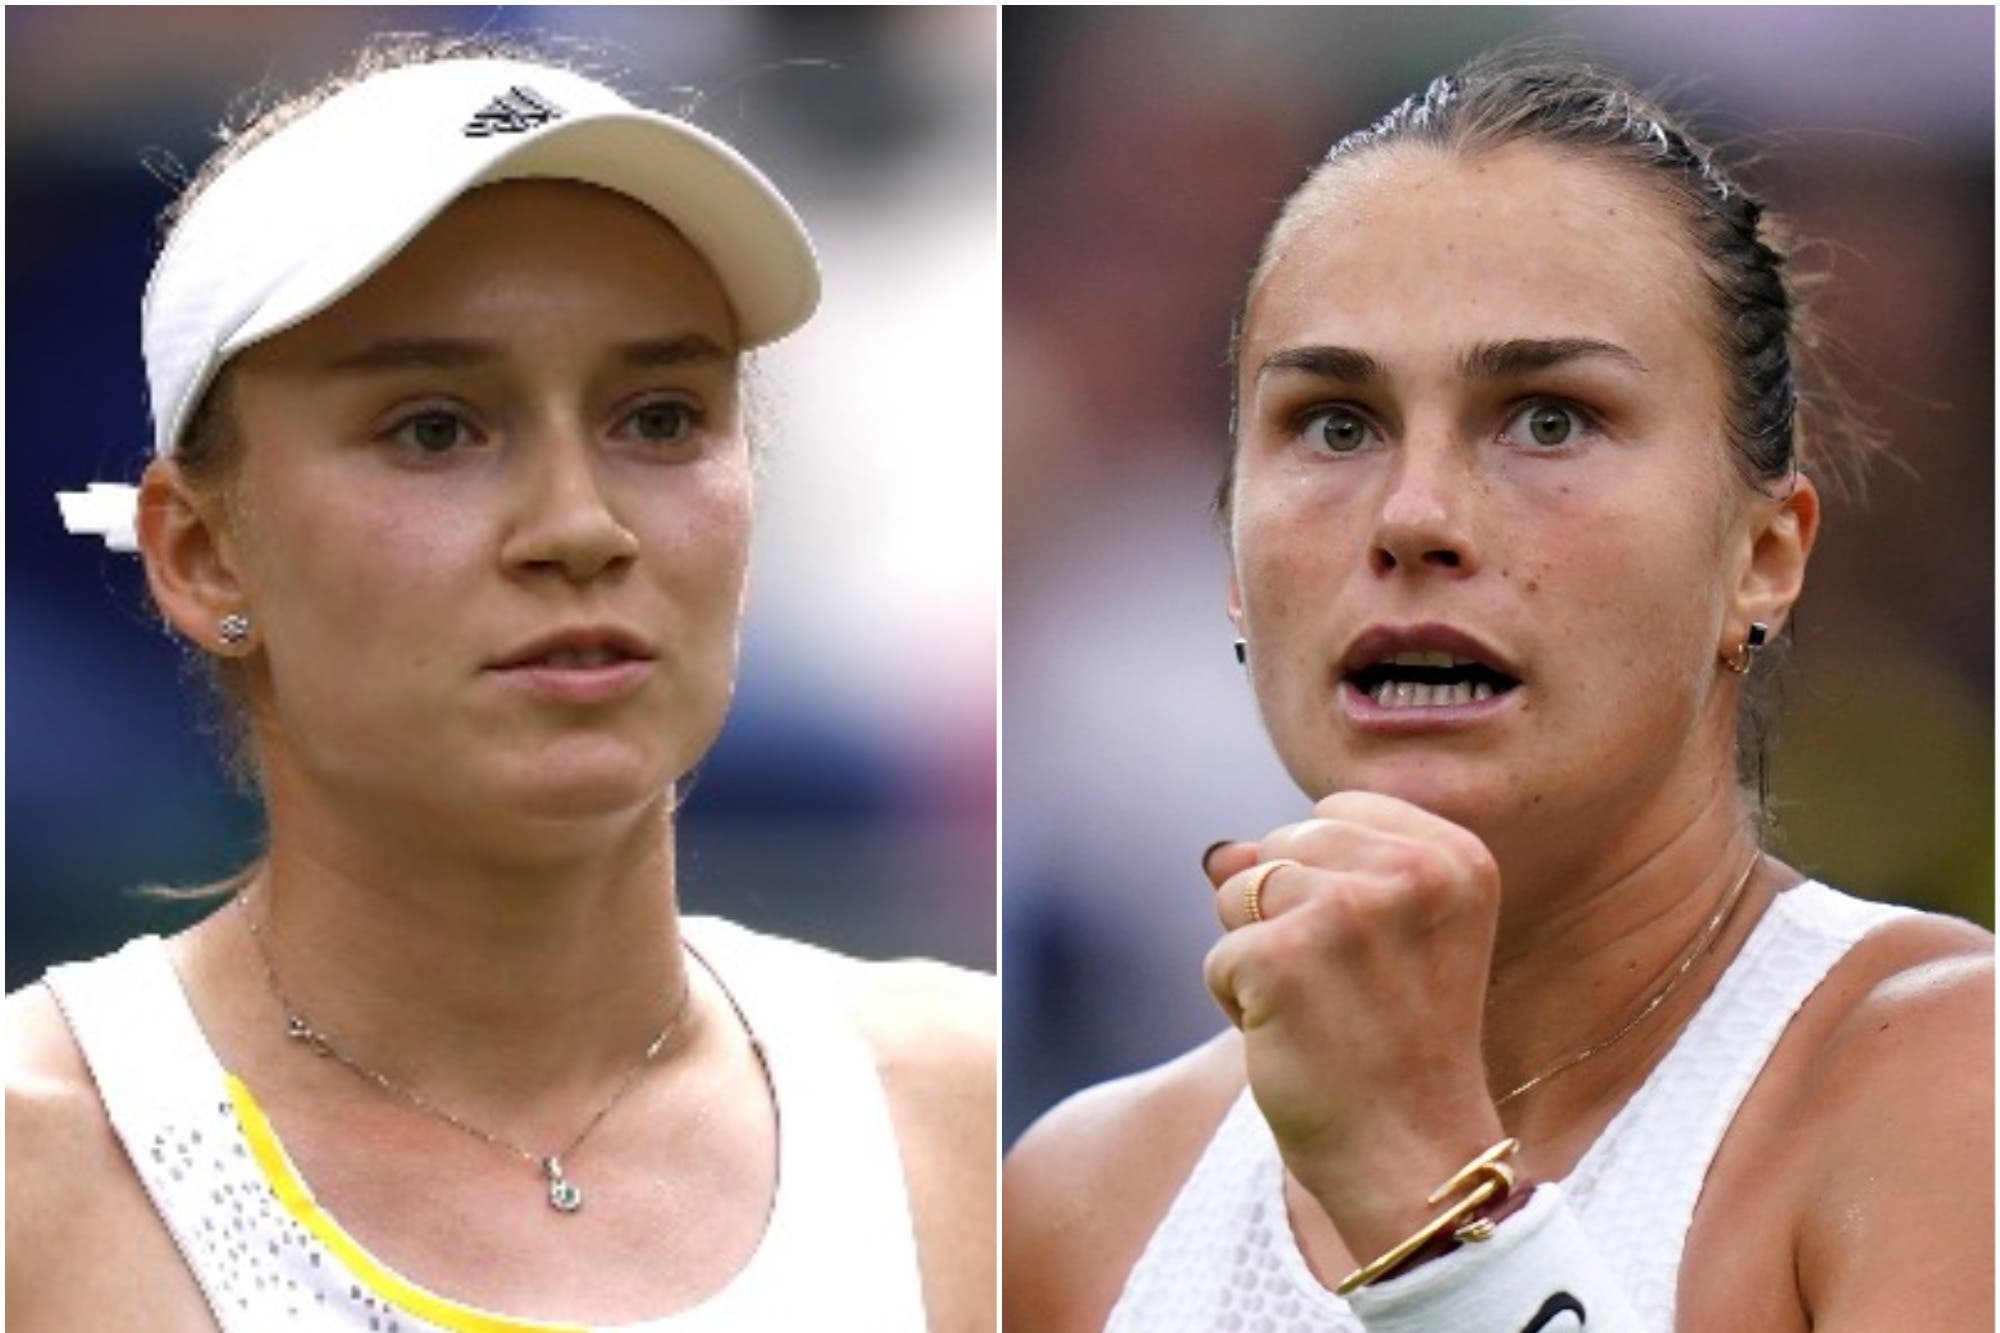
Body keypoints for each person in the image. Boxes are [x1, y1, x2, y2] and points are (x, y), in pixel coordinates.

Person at [7, 37, 994, 1333]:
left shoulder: (965, 1114)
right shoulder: (34, 1176)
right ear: (198, 553)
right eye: (434, 427)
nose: (580, 525)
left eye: (660, 416)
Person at [1004, 48, 1991, 1333]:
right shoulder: (1082, 1196)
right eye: (1334, 423)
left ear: (1760, 555)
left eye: (1546, 417)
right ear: (1232, 566)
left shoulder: (1948, 1086)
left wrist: (1428, 1208)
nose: (1414, 517)